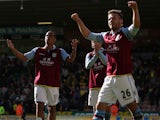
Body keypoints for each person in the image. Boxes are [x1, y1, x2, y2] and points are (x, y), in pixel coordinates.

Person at [71, 1, 143, 120]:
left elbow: (136, 26)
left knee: (133, 106)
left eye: (114, 18)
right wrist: (78, 20)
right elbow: (88, 35)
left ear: (121, 22)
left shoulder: (125, 33)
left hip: (123, 76)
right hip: (109, 77)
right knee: (100, 106)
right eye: (109, 19)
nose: (111, 20)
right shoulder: (105, 36)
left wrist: (135, 9)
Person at [7, 30, 78, 120]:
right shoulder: (37, 50)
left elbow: (70, 60)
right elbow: (24, 57)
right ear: (44, 38)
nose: (48, 37)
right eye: (47, 35)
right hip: (40, 83)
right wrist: (13, 49)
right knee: (39, 105)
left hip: (53, 84)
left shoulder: (59, 51)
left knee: (52, 109)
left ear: (55, 39)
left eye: (51, 35)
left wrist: (74, 49)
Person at [85, 41, 110, 119]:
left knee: (107, 107)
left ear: (101, 43)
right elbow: (87, 66)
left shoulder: (106, 52)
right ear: (91, 44)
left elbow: (107, 63)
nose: (95, 43)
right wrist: (95, 56)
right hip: (94, 85)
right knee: (95, 108)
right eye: (93, 42)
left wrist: (99, 53)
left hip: (106, 84)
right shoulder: (89, 55)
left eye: (97, 42)